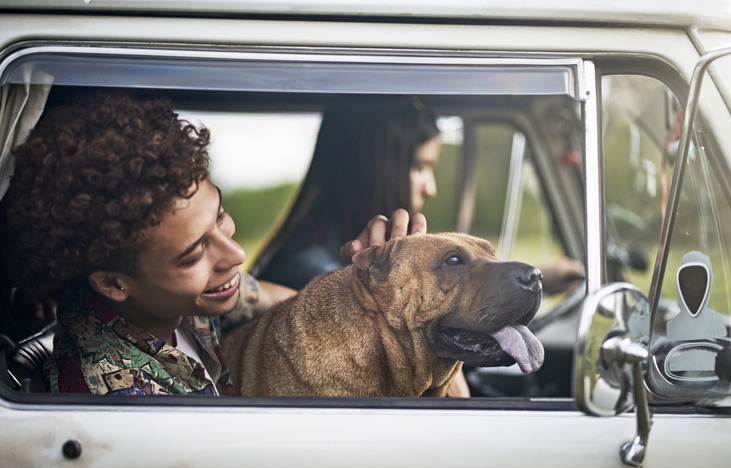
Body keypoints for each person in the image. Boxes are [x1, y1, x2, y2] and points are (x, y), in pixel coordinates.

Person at [0, 89, 423, 396]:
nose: (236, 255)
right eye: (194, 253)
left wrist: (368, 284)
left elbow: (287, 305)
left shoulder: (166, 300)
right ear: (112, 283)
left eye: (220, 216)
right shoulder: (123, 399)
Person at [252, 95, 440, 290]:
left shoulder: (314, 257)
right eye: (419, 167)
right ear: (370, 169)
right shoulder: (310, 275)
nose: (430, 190)